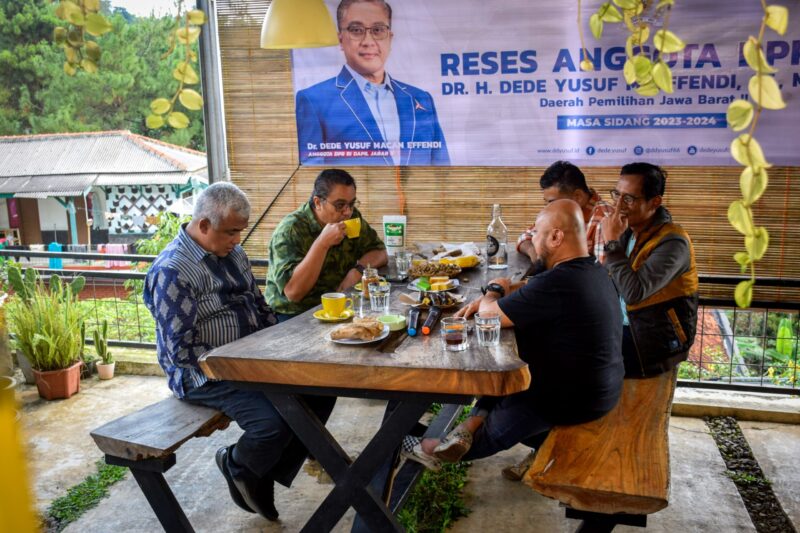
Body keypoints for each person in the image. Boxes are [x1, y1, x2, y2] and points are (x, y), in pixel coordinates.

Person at [143, 183, 336, 521]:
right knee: (274, 423)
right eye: (231, 232)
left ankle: (259, 473)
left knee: (321, 390)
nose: (237, 240)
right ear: (204, 225)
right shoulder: (173, 270)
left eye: (240, 233)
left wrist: (278, 345)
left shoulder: (233, 253)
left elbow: (259, 306)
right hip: (203, 374)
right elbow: (181, 351)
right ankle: (238, 464)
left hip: (250, 360)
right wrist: (241, 364)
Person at [400, 199, 624, 470]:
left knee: (500, 401)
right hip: (600, 388)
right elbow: (534, 287)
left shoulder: (558, 283)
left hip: (570, 400)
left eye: (537, 235)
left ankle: (428, 450)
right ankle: (470, 423)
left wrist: (494, 290)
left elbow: (487, 318)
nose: (534, 242)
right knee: (501, 378)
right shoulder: (590, 271)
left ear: (556, 236)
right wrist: (511, 290)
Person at [295, 0, 450, 166]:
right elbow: (312, 174)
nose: (368, 41)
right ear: (340, 39)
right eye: (356, 30)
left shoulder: (420, 99)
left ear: (390, 38)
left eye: (378, 30)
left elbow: (442, 172)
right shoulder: (314, 100)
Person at [601, 162, 699, 377]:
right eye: (617, 195)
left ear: (655, 202)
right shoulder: (628, 232)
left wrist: (611, 245)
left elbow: (633, 294)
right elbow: (605, 278)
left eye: (629, 198)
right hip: (622, 328)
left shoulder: (674, 242)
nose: (618, 206)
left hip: (650, 342)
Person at [266, 168, 387, 320]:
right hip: (294, 315)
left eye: (351, 203)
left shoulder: (351, 217)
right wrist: (322, 244)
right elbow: (293, 293)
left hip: (340, 306)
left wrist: (357, 270)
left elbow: (380, 252)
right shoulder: (290, 230)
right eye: (339, 205)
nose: (347, 211)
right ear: (318, 202)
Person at [517, 161, 613, 264]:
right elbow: (526, 236)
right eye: (547, 203)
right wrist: (533, 252)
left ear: (578, 197)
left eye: (552, 202)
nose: (548, 208)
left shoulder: (604, 219)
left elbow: (603, 274)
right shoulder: (563, 214)